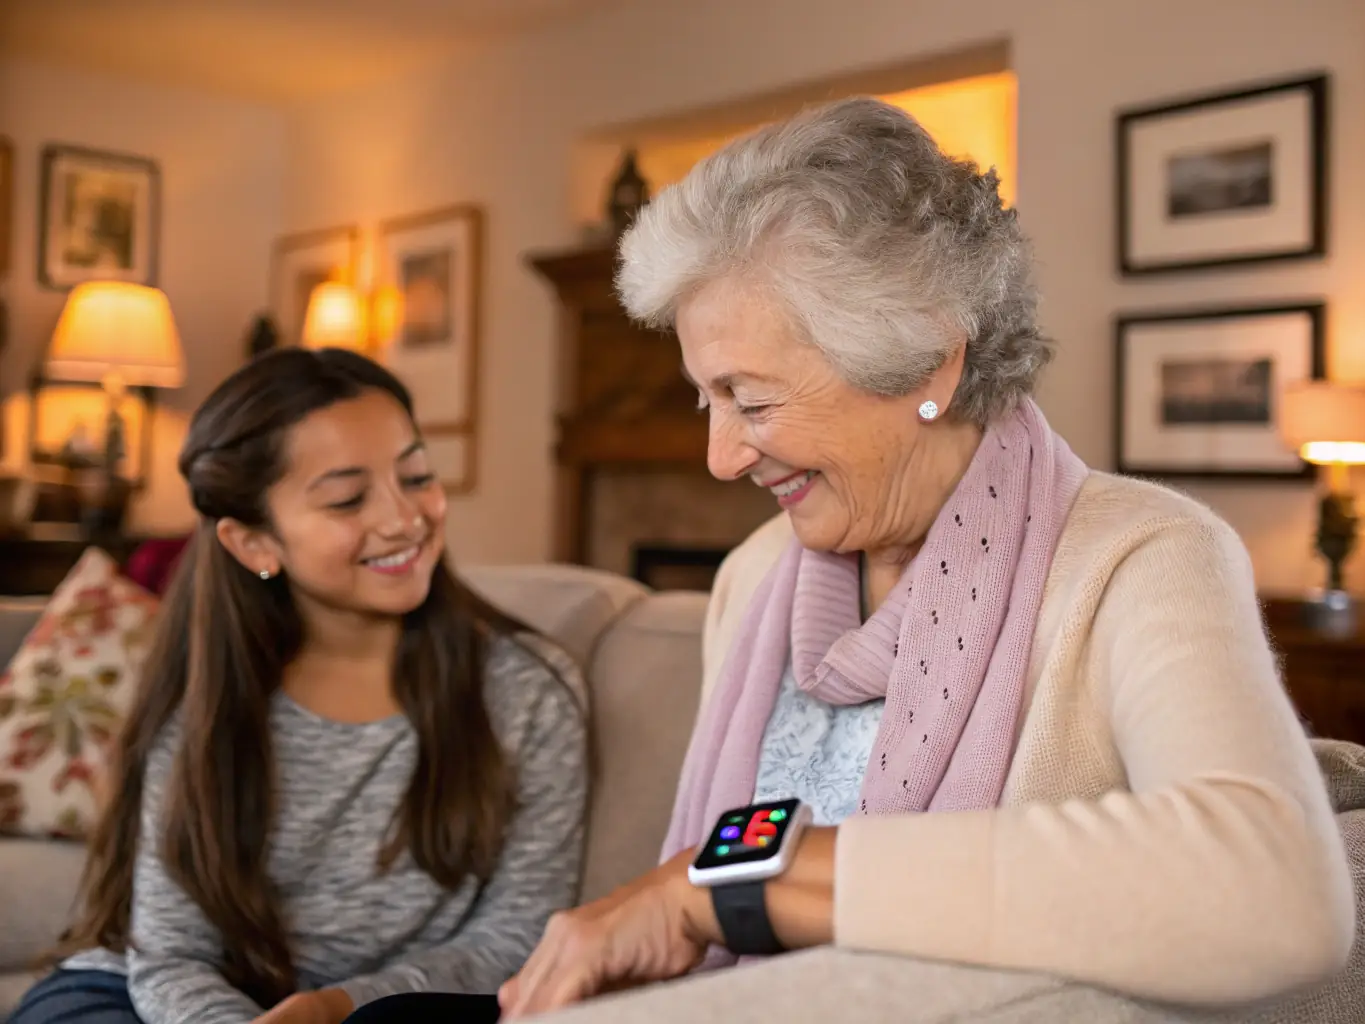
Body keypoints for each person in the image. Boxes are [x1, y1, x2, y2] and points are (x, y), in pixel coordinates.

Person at [494, 97, 1354, 1018]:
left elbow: (1276, 891)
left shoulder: (1141, 560)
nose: (720, 456)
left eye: (751, 400)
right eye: (707, 399)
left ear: (928, 363)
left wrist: (744, 887)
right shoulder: (752, 575)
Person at [12, 348, 588, 1024]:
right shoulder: (210, 695)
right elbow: (169, 955)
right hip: (155, 1001)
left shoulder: (527, 692)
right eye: (347, 498)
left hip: (382, 1008)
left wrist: (332, 1008)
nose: (403, 518)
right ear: (255, 543)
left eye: (417, 475)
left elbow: (516, 938)